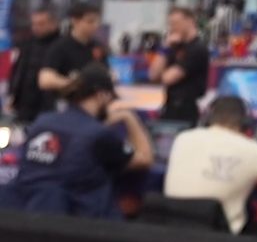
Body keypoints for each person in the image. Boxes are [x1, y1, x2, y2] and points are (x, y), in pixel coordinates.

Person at [1, 64, 153, 219]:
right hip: (77, 224)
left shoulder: (42, 122)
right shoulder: (99, 135)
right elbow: (145, 160)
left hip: (23, 219)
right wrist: (129, 117)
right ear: (102, 95)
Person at [163, 96, 257, 234]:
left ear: (207, 119)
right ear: (246, 125)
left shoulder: (182, 139)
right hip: (220, 238)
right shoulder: (250, 149)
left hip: (171, 232)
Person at [147, 7, 211, 126]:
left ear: (190, 21)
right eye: (171, 24)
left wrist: (163, 74)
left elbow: (168, 78)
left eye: (176, 23)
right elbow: (153, 75)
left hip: (185, 109)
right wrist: (165, 47)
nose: (173, 27)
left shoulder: (197, 48)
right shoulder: (174, 46)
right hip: (169, 104)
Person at [39, 2, 108, 101]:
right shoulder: (60, 47)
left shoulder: (98, 47)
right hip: (65, 102)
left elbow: (106, 72)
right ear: (75, 21)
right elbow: (45, 79)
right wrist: (72, 84)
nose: (95, 25)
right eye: (90, 21)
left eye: (97, 21)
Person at [9, 9, 61, 123]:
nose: (36, 28)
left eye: (41, 24)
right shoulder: (28, 43)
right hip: (24, 105)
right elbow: (19, 70)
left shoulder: (61, 46)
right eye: (34, 24)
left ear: (54, 23)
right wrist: (12, 93)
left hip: (48, 107)